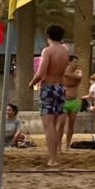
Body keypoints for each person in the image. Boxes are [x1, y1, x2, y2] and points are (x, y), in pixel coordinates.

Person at [29, 23, 70, 168]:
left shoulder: (48, 51)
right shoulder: (65, 50)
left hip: (48, 87)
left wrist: (31, 83)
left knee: (49, 126)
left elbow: (41, 73)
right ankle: (55, 155)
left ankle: (52, 158)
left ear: (48, 36)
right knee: (56, 124)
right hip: (61, 87)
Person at [59, 50, 84, 149]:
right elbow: (66, 75)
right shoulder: (63, 72)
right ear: (69, 62)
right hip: (64, 101)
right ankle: (59, 145)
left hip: (73, 101)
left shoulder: (78, 72)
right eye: (75, 62)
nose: (77, 64)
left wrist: (67, 73)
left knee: (71, 123)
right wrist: (67, 73)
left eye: (77, 62)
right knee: (61, 123)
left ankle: (68, 144)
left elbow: (78, 77)